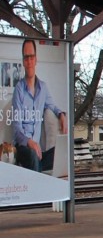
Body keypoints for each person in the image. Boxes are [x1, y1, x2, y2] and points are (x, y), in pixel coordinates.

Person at [12, 38, 69, 174]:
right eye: (26, 58)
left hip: (38, 150)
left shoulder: (43, 88)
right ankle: (39, 189)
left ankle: (38, 170)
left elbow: (53, 106)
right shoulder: (19, 89)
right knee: (32, 155)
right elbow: (17, 128)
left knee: (61, 153)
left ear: (36, 59)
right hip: (23, 148)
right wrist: (30, 142)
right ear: (23, 61)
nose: (29, 61)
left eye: (31, 57)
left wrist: (62, 114)